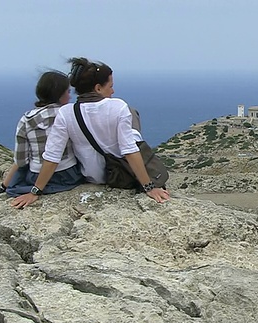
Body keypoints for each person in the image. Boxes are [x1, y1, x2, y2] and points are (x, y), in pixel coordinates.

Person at [11, 57, 170, 209]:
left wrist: (35, 191)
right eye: (110, 86)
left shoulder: (66, 112)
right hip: (119, 174)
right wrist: (149, 187)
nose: (113, 91)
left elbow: (52, 155)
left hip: (91, 176)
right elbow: (129, 150)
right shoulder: (118, 106)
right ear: (98, 88)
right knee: (132, 114)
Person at [0, 71, 84, 197]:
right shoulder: (70, 114)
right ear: (60, 95)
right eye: (68, 92)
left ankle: (7, 187)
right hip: (69, 175)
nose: (70, 97)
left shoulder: (26, 120)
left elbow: (21, 161)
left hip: (35, 177)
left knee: (23, 167)